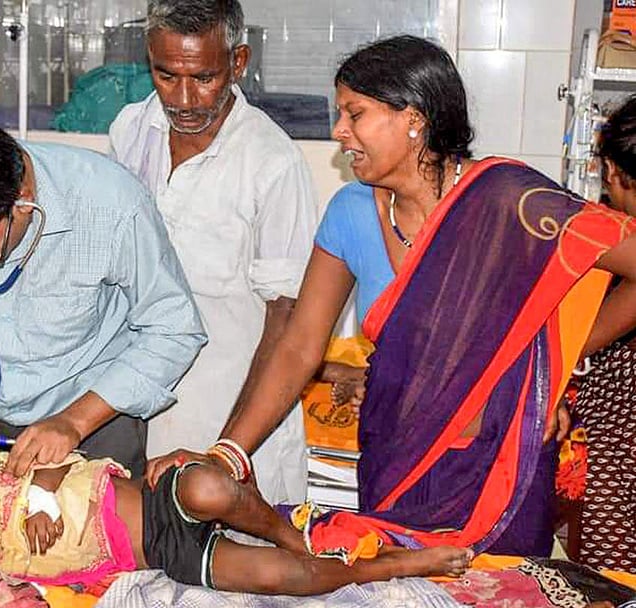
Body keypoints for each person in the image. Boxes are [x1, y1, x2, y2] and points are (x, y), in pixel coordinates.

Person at [148, 35, 636, 558]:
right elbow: (298, 348)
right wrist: (229, 454)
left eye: (354, 113)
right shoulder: (350, 213)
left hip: (501, 461)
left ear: (413, 117)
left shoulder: (508, 203)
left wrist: (549, 364)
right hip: (396, 457)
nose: (339, 132)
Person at [0, 113, 207, 481]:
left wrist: (75, 421)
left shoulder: (110, 203)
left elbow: (173, 330)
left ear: (24, 202)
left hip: (95, 417)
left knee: (92, 534)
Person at [109, 0, 318, 504]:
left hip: (241, 435)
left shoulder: (272, 162)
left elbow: (287, 320)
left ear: (238, 63)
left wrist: (228, 449)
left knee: (240, 577)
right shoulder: (130, 130)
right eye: (165, 75)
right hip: (142, 428)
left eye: (203, 77)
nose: (182, 98)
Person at [0, 454, 473, 595]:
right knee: (285, 579)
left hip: (148, 499)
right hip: (156, 554)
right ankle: (392, 568)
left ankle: (280, 524)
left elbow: (50, 456)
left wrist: (44, 495)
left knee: (206, 485)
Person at [574, 94, 636, 573]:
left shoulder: (618, 242)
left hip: (621, 447)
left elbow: (579, 340)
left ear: (613, 172)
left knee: (614, 580)